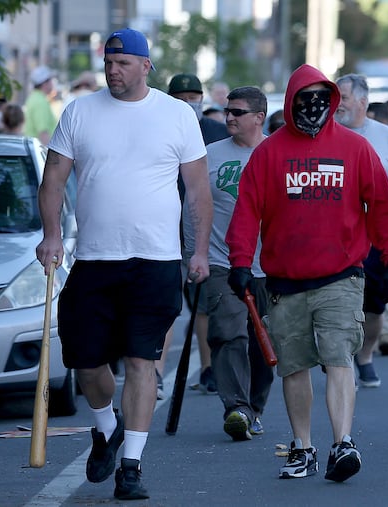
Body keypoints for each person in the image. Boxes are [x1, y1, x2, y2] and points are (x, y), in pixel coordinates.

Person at [35, 28, 212, 500]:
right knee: (86, 362)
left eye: (123, 63)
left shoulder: (176, 115)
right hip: (94, 260)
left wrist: (198, 251)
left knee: (141, 362)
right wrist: (52, 235)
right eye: (109, 63)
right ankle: (104, 424)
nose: (113, 71)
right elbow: (53, 179)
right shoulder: (79, 111)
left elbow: (197, 190)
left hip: (155, 260)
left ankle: (130, 464)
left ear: (145, 66)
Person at [225, 64, 388, 482]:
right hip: (285, 283)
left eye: (322, 100)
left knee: (340, 356)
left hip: (341, 276)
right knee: (294, 366)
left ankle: (343, 442)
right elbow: (247, 212)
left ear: (334, 104)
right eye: (304, 100)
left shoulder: (356, 149)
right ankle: (303, 447)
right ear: (290, 104)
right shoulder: (268, 154)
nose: (313, 108)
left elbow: (382, 206)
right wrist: (238, 263)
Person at [183, 86, 273, 440]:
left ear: (258, 117)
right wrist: (195, 254)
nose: (228, 117)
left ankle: (254, 407)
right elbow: (193, 208)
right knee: (228, 332)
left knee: (265, 341)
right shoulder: (210, 155)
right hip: (221, 260)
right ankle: (236, 407)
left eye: (237, 112)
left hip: (270, 265)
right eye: (227, 111)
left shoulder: (277, 153)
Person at [334, 73, 388, 381]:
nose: (337, 105)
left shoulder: (386, 136)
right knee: (336, 299)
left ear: (363, 102)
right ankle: (341, 361)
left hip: (376, 235)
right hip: (338, 234)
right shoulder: (326, 135)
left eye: (344, 98)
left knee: (374, 304)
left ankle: (365, 356)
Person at [164, 72, 229, 396]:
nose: (189, 103)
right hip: (163, 228)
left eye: (194, 96)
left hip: (207, 228)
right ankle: (156, 373)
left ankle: (209, 368)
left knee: (205, 304)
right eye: (182, 97)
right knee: (164, 304)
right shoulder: (159, 128)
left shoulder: (217, 133)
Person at [24, 65, 58, 145]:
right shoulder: (40, 102)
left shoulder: (34, 98)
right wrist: (50, 155)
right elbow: (43, 133)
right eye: (50, 80)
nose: (52, 83)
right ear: (44, 83)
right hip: (40, 151)